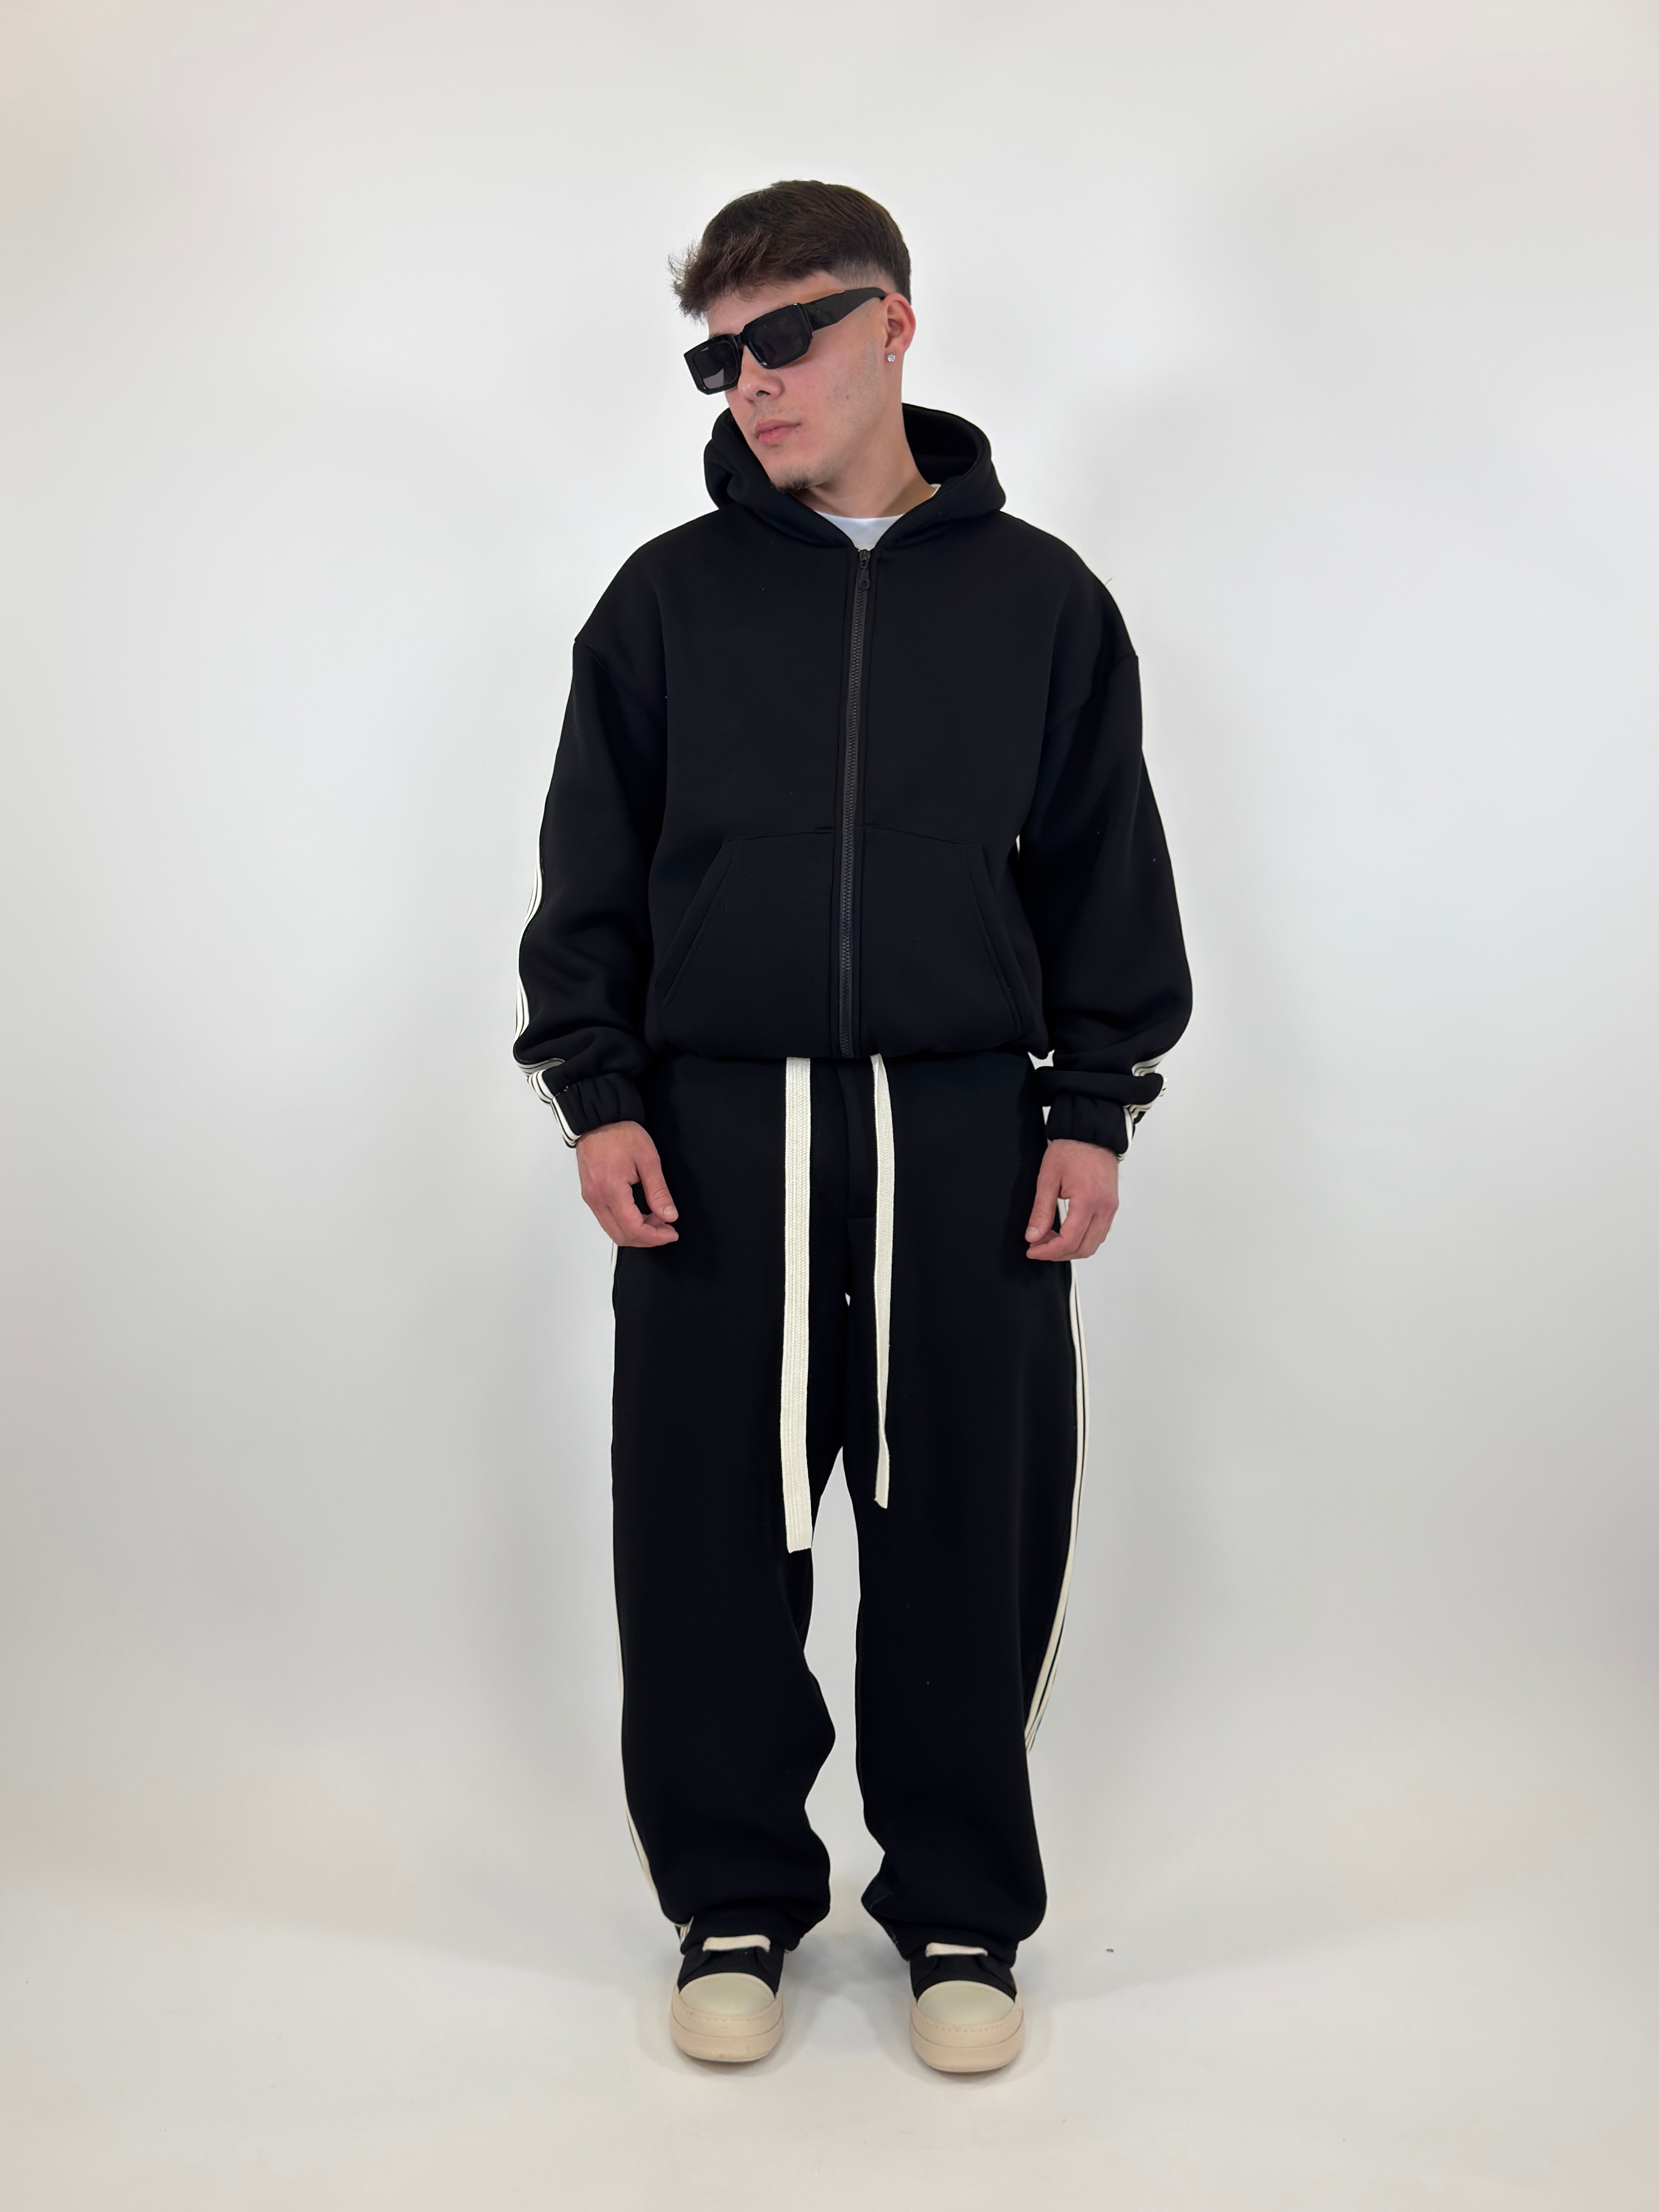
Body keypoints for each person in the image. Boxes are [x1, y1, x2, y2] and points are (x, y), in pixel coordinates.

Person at [514, 179, 1191, 2074]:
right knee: (706, 1530)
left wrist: (1093, 1107)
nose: (749, 382)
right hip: (715, 1138)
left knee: (968, 1526)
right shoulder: (665, 603)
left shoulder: (1042, 602)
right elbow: (591, 876)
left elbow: (1100, 872)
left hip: (967, 1136)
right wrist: (598, 1092)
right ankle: (733, 1903)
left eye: (784, 337)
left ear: (894, 325)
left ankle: (961, 1915)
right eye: (717, 357)